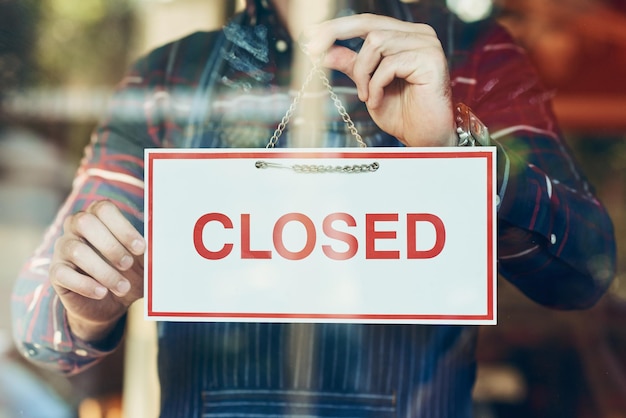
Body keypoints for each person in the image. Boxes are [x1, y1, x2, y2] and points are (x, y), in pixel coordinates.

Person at [11, 0, 617, 416]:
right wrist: (88, 303)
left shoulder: (471, 55)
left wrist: (452, 147)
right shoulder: (169, 76)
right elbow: (42, 326)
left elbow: (584, 269)